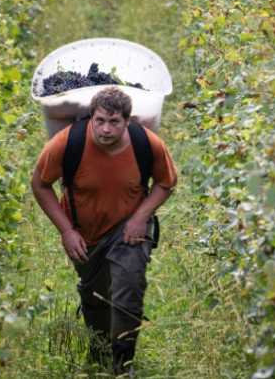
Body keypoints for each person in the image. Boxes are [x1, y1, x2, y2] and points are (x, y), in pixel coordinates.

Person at [31, 87, 177, 376]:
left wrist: (141, 218)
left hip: (129, 230)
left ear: (127, 121)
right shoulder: (67, 143)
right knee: (95, 299)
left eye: (114, 122)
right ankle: (98, 353)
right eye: (100, 121)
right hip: (85, 235)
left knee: (127, 291)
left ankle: (123, 366)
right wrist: (66, 232)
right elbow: (40, 184)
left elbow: (166, 182)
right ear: (91, 118)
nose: (106, 129)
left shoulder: (146, 144)